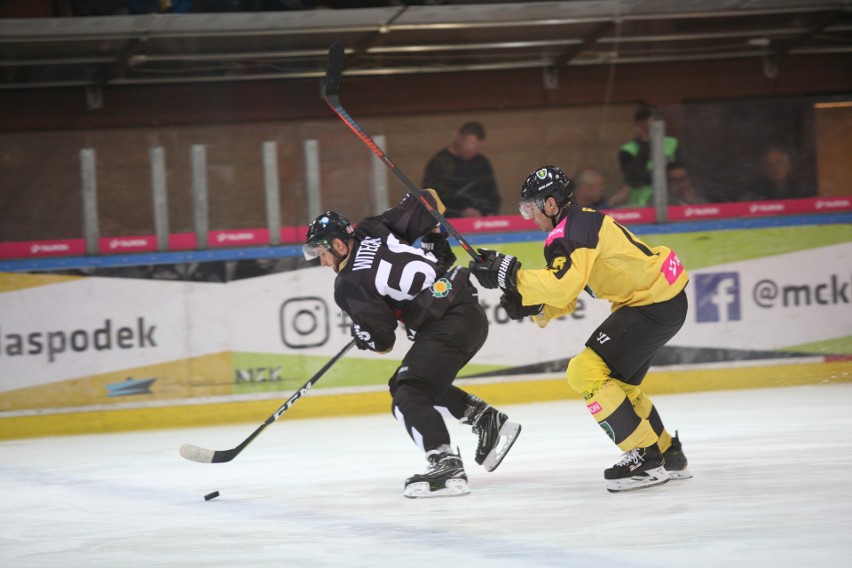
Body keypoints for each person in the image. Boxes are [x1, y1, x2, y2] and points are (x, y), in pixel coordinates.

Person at [467, 165, 691, 493]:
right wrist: (530, 303)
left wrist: (510, 275)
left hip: (652, 304)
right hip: (662, 300)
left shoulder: (569, 232)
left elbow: (560, 285)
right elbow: (570, 289)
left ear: (552, 204)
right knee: (619, 385)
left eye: (531, 207)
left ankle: (644, 457)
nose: (531, 216)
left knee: (584, 371)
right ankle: (668, 453)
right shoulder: (580, 222)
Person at [303, 190, 521, 498]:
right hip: (466, 313)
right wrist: (434, 235)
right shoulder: (371, 229)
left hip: (448, 324)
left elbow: (384, 342)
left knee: (408, 391)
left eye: (322, 253)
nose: (323, 262)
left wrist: (364, 334)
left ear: (338, 245)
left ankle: (446, 465)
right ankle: (486, 420)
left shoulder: (348, 284)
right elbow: (431, 200)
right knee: (410, 383)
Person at [421, 121, 501, 218]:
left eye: (477, 148)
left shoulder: (482, 163)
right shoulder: (439, 163)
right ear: (459, 138)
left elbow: (492, 195)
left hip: (481, 220)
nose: (473, 151)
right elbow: (431, 199)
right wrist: (459, 213)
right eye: (470, 146)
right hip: (449, 222)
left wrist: (488, 213)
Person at [610, 105, 683, 208]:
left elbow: (678, 173)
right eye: (652, 121)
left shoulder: (671, 143)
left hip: (669, 200)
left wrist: (649, 176)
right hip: (640, 204)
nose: (657, 125)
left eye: (659, 120)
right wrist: (645, 144)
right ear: (640, 124)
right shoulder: (628, 150)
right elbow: (634, 179)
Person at [741, 145, 815, 201]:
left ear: (789, 166)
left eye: (779, 163)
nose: (774, 168)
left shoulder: (801, 190)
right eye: (768, 164)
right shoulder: (756, 190)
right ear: (763, 169)